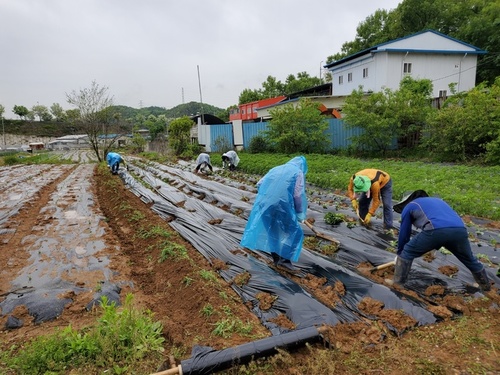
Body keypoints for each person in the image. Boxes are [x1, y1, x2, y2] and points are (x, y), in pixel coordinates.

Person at [389, 190, 491, 291]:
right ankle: (486, 287)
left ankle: (397, 284)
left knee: (407, 251)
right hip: (460, 230)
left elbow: (404, 233)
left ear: (406, 201)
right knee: (469, 259)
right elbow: (444, 225)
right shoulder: (438, 201)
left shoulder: (410, 206)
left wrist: (400, 254)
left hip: (436, 229)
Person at [240, 156, 308, 272]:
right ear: (302, 166)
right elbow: (297, 195)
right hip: (281, 205)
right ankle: (284, 261)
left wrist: (270, 195)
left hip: (265, 204)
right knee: (294, 231)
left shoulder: (275, 169)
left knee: (273, 230)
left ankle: (277, 259)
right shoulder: (298, 172)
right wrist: (299, 212)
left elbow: (260, 184)